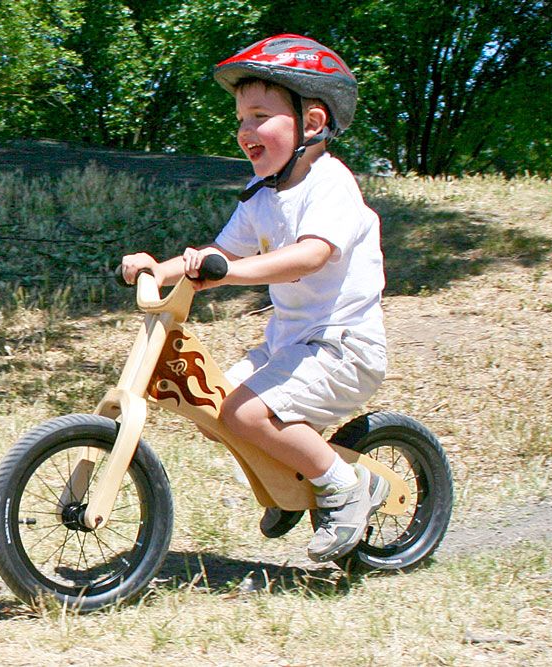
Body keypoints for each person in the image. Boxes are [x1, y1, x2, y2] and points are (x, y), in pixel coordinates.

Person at [121, 34, 388, 563]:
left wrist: (230, 274)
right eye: (241, 120)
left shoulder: (330, 184)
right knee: (217, 410)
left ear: (311, 124)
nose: (246, 132)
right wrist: (160, 267)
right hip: (290, 344)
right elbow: (218, 251)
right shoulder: (262, 194)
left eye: (260, 117)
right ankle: (293, 478)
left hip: (342, 347)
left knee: (243, 414)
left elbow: (312, 254)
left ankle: (345, 486)